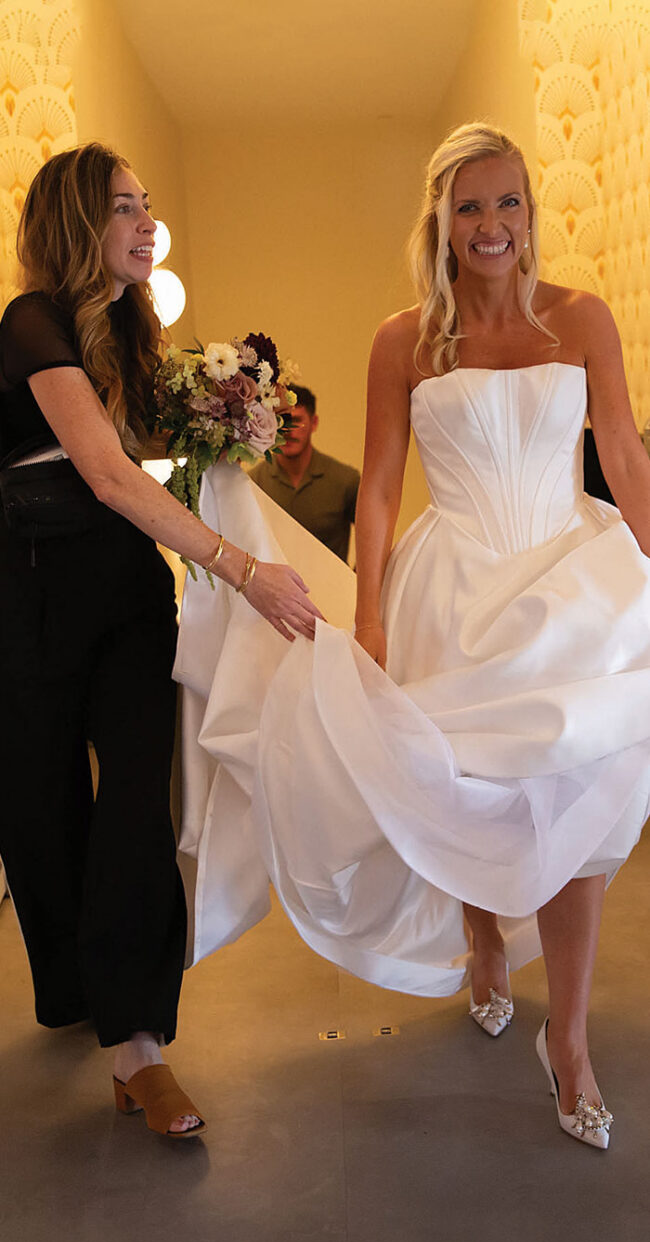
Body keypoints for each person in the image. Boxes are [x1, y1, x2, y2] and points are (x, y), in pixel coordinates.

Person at [176, 121, 650, 1153]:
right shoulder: (403, 339)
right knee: (461, 791)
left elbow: (618, 449)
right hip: (454, 589)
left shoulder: (582, 319)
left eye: (508, 202)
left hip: (571, 582)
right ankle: (481, 938)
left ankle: (565, 1043)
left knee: (572, 810)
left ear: (530, 212)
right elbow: (382, 487)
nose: (491, 224)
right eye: (469, 205)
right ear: (439, 219)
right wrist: (377, 614)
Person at [0, 142, 320, 1139]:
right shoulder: (30, 321)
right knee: (41, 813)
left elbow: (150, 477)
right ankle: (81, 984)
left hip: (129, 594)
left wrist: (229, 421)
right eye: (125, 208)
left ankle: (139, 1048)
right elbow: (102, 470)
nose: (146, 224)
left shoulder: (137, 332)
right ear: (74, 222)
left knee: (136, 800)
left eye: (149, 205)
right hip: (31, 591)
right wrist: (245, 571)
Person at [249, 385, 359, 562]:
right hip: (272, 587)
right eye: (281, 421)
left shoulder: (345, 481)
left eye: (297, 421)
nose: (288, 431)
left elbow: (371, 537)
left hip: (331, 587)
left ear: (314, 423)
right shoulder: (254, 483)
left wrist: (356, 582)